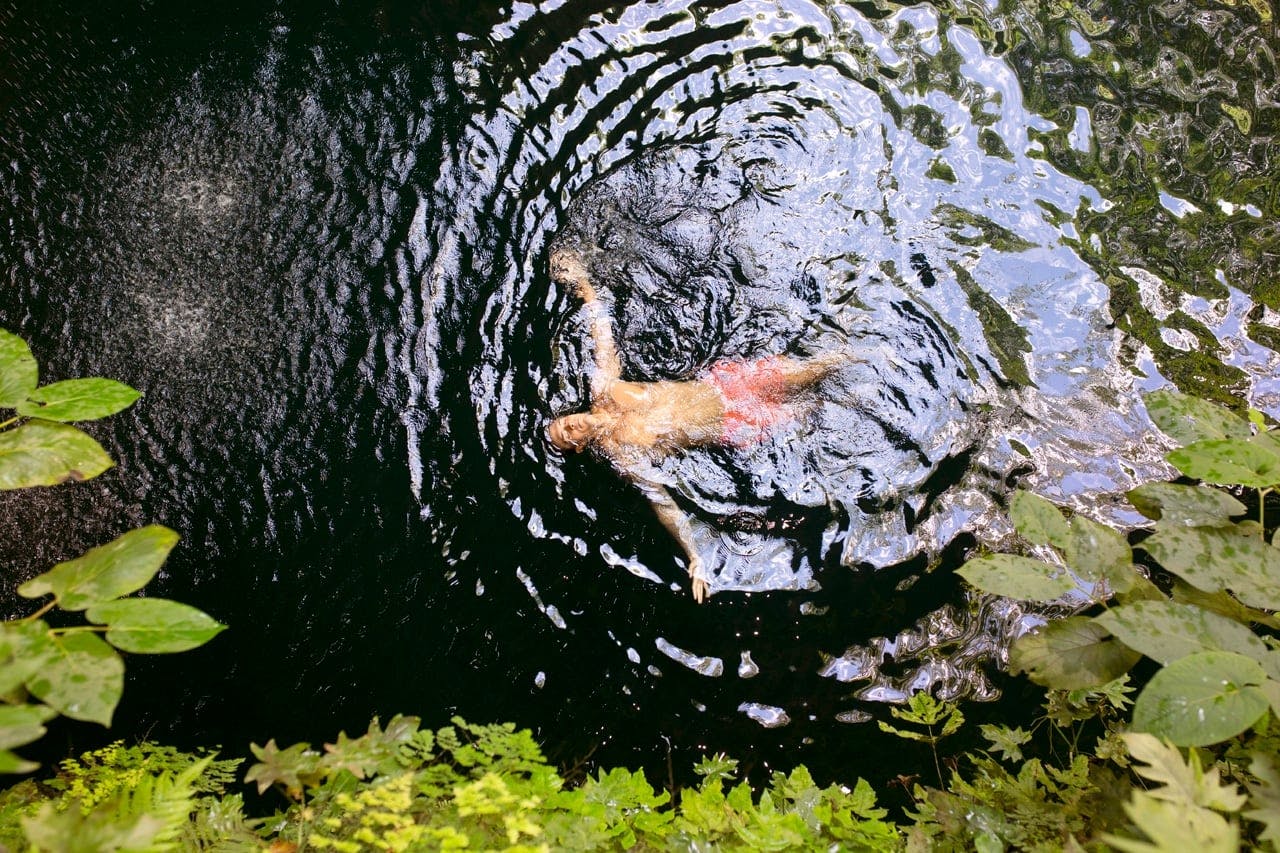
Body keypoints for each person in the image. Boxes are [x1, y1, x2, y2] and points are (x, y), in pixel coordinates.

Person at [548, 249, 850, 603]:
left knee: (823, 366)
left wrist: (584, 286)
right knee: (821, 404)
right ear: (579, 447)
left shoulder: (604, 388)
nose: (569, 426)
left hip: (727, 385)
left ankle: (871, 351)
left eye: (563, 422)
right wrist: (695, 556)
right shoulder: (622, 455)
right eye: (567, 436)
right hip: (735, 424)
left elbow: (602, 335)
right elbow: (662, 502)